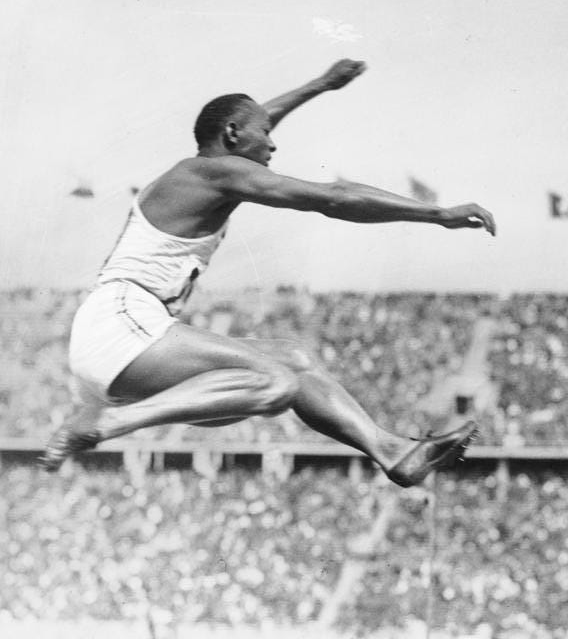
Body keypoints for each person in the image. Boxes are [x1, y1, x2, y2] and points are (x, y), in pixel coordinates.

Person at [42, 59, 495, 486]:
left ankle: (392, 450)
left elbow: (257, 119)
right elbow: (334, 197)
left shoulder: (211, 167)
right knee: (273, 382)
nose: (274, 142)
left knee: (295, 362)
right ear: (235, 135)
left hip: (125, 338)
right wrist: (437, 214)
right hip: (120, 324)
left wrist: (320, 85)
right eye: (265, 133)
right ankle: (108, 422)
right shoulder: (211, 173)